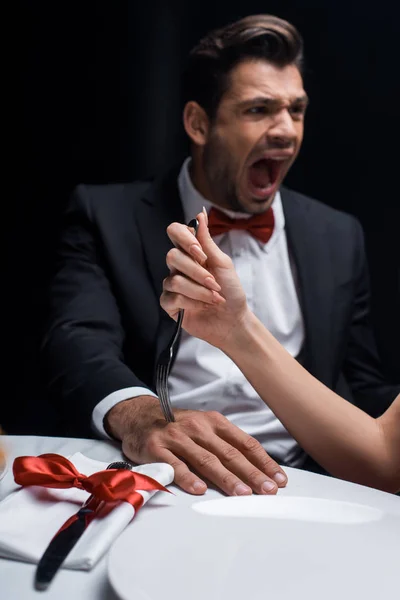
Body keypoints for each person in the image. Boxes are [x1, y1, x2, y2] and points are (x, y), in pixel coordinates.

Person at [42, 14, 399, 497]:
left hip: (306, 481)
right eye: (259, 110)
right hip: (166, 477)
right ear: (198, 122)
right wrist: (142, 416)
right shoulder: (106, 214)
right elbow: (77, 342)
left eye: (296, 110)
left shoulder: (338, 234)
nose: (286, 131)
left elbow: (363, 383)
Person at [160, 211, 400, 493]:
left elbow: (385, 458)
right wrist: (236, 328)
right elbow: (385, 459)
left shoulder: (338, 231)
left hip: (301, 475)